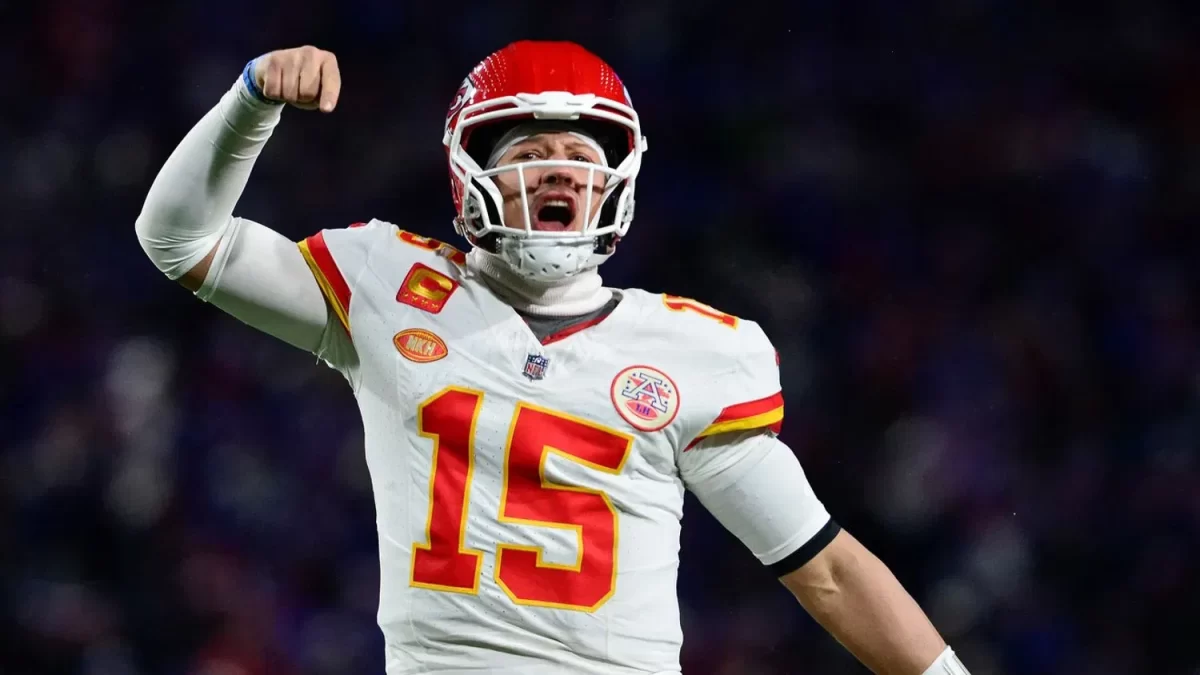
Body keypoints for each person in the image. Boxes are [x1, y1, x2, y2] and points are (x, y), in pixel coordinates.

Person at [136, 40, 971, 675]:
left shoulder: (695, 351)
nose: (559, 171)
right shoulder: (387, 284)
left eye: (581, 156)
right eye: (531, 153)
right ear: (471, 175)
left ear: (619, 180)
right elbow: (178, 238)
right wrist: (251, 101)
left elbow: (820, 564)